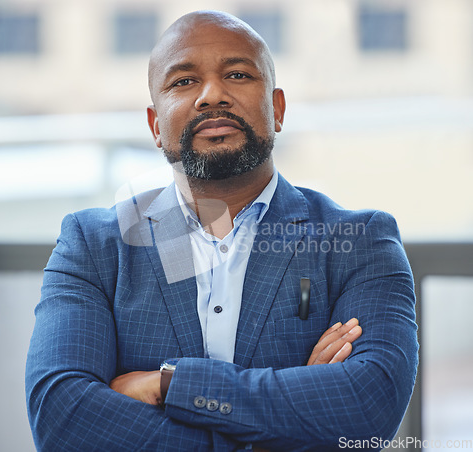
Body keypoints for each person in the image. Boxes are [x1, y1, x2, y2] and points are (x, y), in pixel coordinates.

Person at [25, 10, 418, 451]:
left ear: (277, 108)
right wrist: (286, 420)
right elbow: (60, 417)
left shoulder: (360, 242)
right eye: (184, 82)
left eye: (236, 74)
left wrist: (169, 385)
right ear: (156, 126)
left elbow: (366, 410)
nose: (212, 95)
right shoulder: (93, 246)